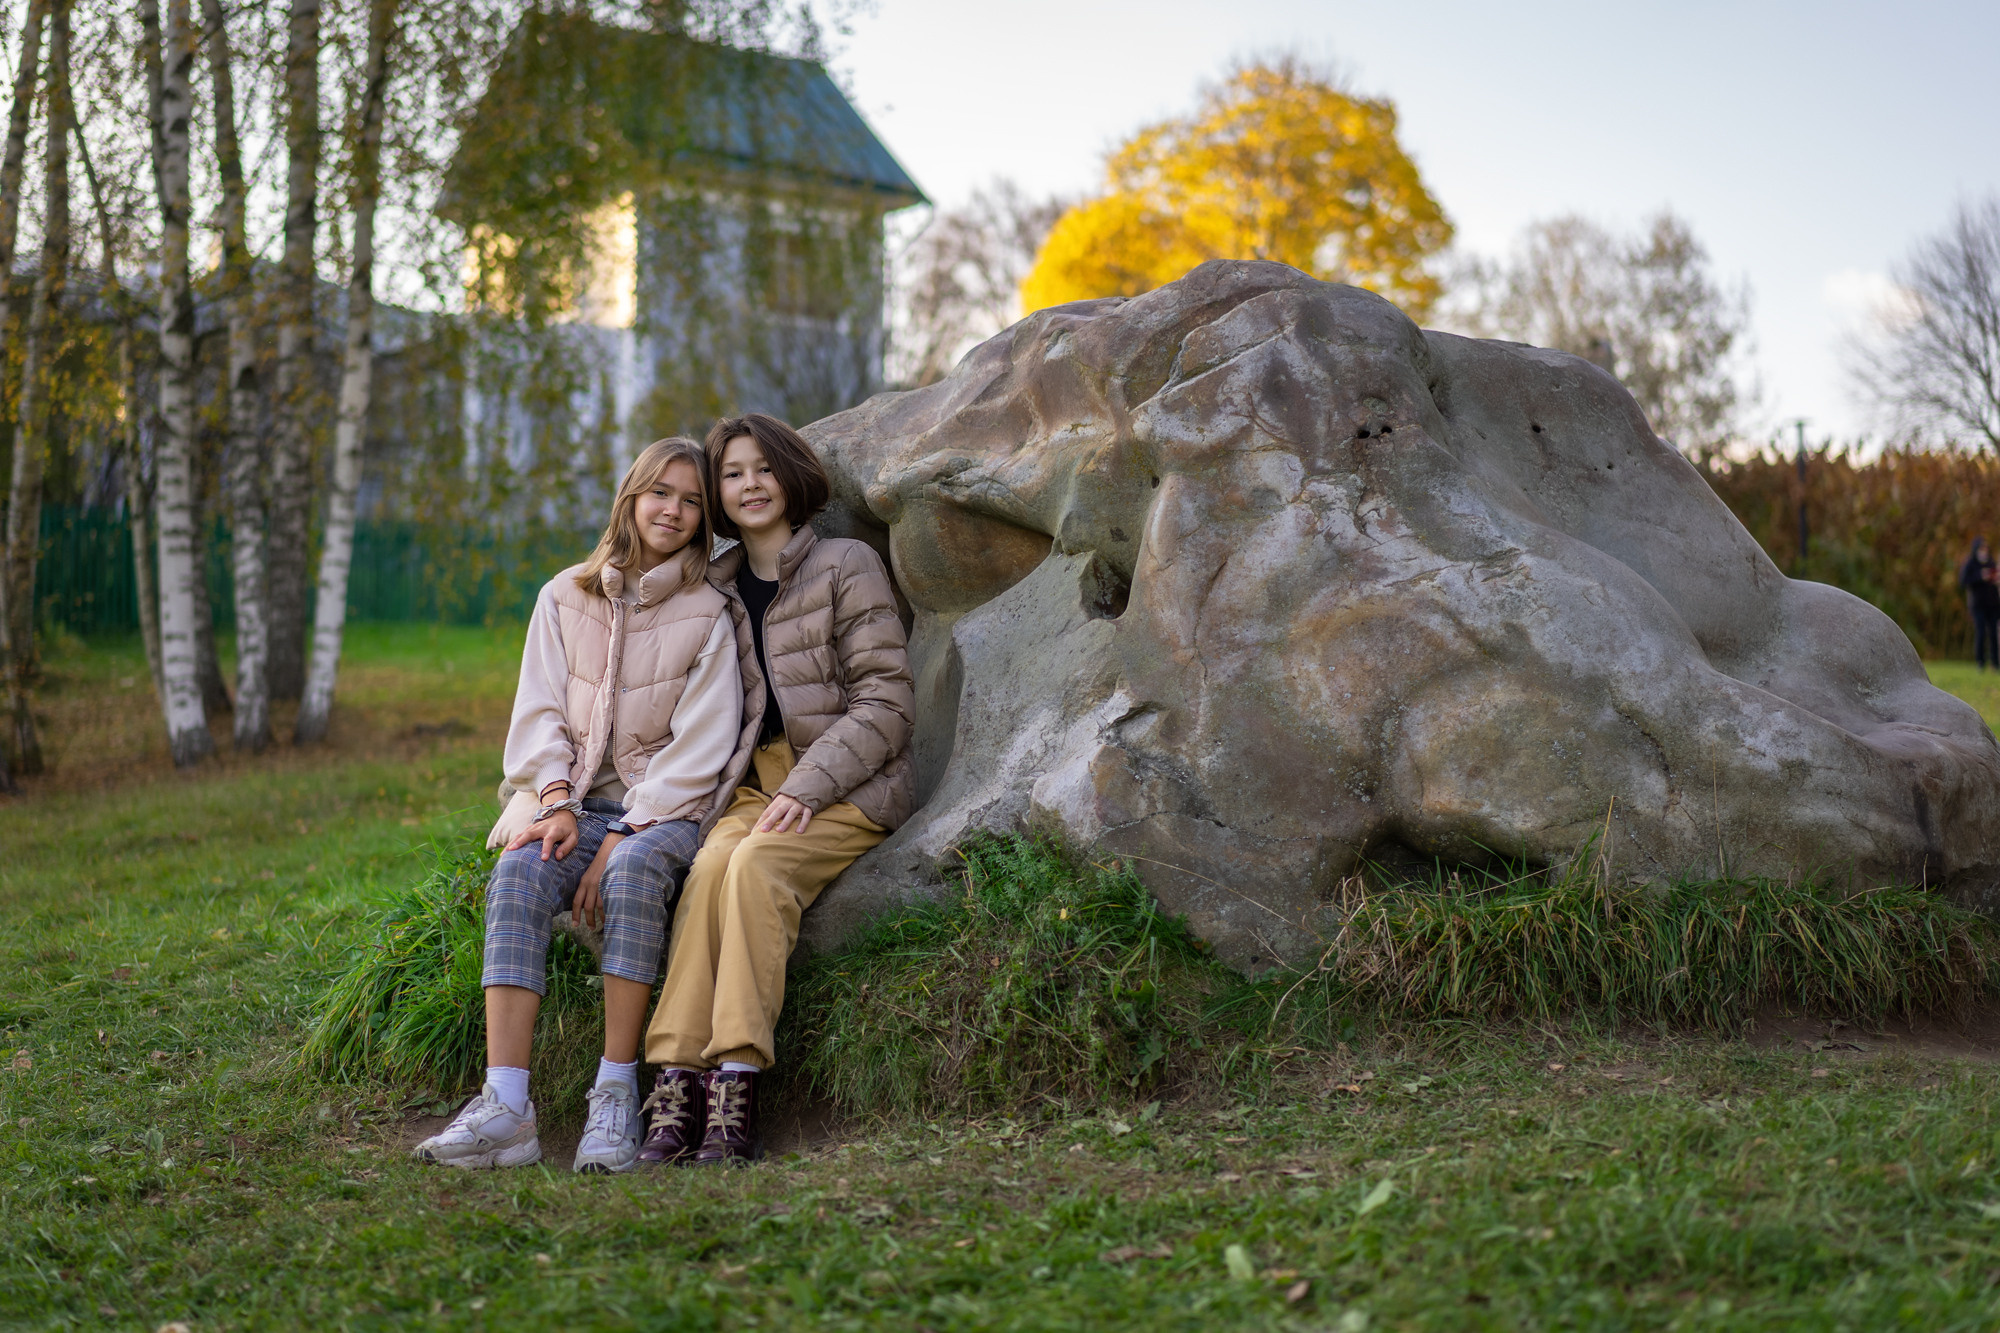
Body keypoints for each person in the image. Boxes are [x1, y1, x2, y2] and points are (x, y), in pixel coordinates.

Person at [414, 438, 745, 1174]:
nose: (674, 511)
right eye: (661, 492)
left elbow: (703, 746)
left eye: (692, 502)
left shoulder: (708, 614)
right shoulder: (564, 595)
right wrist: (557, 801)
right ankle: (507, 1108)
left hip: (666, 812)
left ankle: (615, 1094)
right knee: (520, 871)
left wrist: (624, 833)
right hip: (576, 802)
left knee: (630, 874)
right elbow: (539, 713)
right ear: (631, 497)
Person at [635, 413, 916, 1165]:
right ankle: (675, 1082)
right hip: (754, 787)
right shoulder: (716, 586)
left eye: (763, 468)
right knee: (709, 872)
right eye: (732, 474)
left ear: (791, 475)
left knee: (756, 868)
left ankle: (735, 1083)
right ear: (718, 495)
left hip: (850, 785)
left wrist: (812, 784)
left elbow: (887, 700)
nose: (750, 484)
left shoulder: (846, 563)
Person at [1963, 536, 2000, 670]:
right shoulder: (1970, 564)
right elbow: (1963, 581)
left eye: (1985, 548)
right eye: (1981, 548)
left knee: (1993, 634)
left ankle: (1995, 663)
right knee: (1981, 632)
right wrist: (1980, 576)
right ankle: (1980, 662)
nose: (1984, 551)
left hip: (1993, 604)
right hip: (1978, 605)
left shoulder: (1991, 562)